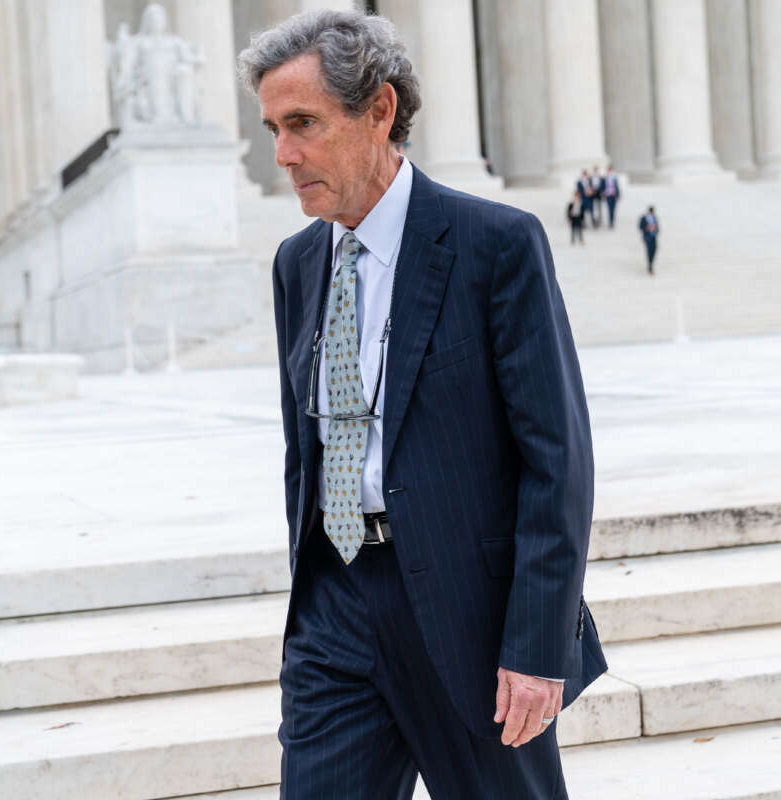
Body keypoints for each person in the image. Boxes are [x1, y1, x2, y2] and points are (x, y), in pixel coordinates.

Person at [239, 10, 606, 799]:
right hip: (334, 607)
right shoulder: (296, 265)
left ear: (379, 110)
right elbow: (303, 452)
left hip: (466, 617)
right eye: (272, 127)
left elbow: (557, 460)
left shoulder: (493, 245)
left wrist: (538, 644)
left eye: (301, 123)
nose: (282, 155)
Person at [639, 205, 659, 274]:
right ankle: (650, 265)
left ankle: (651, 263)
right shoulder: (643, 218)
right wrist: (647, 228)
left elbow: (658, 228)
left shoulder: (654, 218)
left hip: (653, 236)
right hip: (647, 237)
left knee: (654, 249)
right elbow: (640, 227)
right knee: (649, 250)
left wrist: (655, 229)